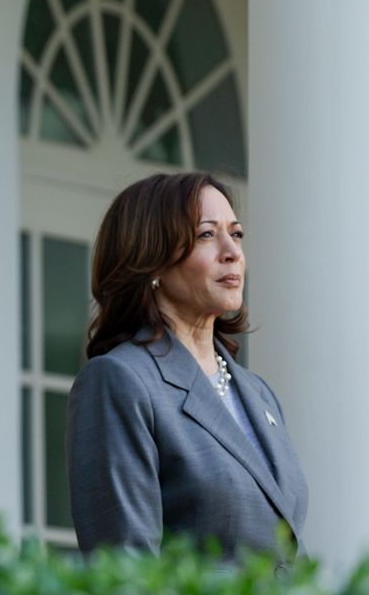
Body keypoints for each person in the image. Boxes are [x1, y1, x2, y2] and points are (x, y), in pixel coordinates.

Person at [66, 172, 307, 563]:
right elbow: (127, 571)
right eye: (207, 235)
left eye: (237, 234)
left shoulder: (259, 393)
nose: (232, 252)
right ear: (151, 260)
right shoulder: (120, 381)